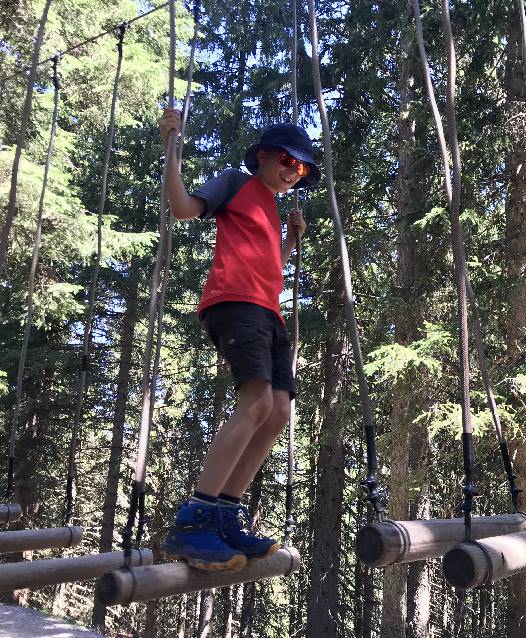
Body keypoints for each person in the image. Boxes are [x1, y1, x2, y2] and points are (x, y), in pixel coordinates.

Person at [156, 109, 318, 572]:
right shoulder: (234, 182)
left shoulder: (271, 205)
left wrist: (290, 239)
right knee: (255, 403)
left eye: (301, 167)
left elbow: (270, 267)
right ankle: (194, 521)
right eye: (287, 160)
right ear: (263, 155)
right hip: (236, 304)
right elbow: (183, 208)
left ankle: (225, 515)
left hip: (268, 312)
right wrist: (172, 146)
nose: (293, 171)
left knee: (278, 411)